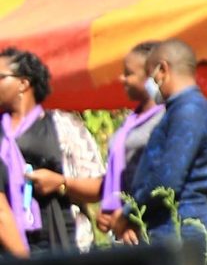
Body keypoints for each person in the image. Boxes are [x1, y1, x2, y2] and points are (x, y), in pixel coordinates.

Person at [32, 41, 161, 243]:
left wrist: (129, 218)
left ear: (153, 76)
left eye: (129, 74)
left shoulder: (164, 119)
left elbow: (161, 176)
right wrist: (111, 212)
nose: (122, 79)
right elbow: (119, 175)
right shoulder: (132, 120)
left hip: (155, 230)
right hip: (125, 234)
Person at [124, 40, 207, 265]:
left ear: (163, 70)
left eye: (150, 75)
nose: (149, 85)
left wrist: (129, 213)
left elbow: (167, 181)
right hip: (170, 235)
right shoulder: (180, 110)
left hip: (184, 237)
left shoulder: (189, 111)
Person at [1, 46, 107, 253]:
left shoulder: (63, 125)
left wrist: (61, 183)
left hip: (64, 240)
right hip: (9, 249)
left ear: (23, 83)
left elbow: (98, 186)